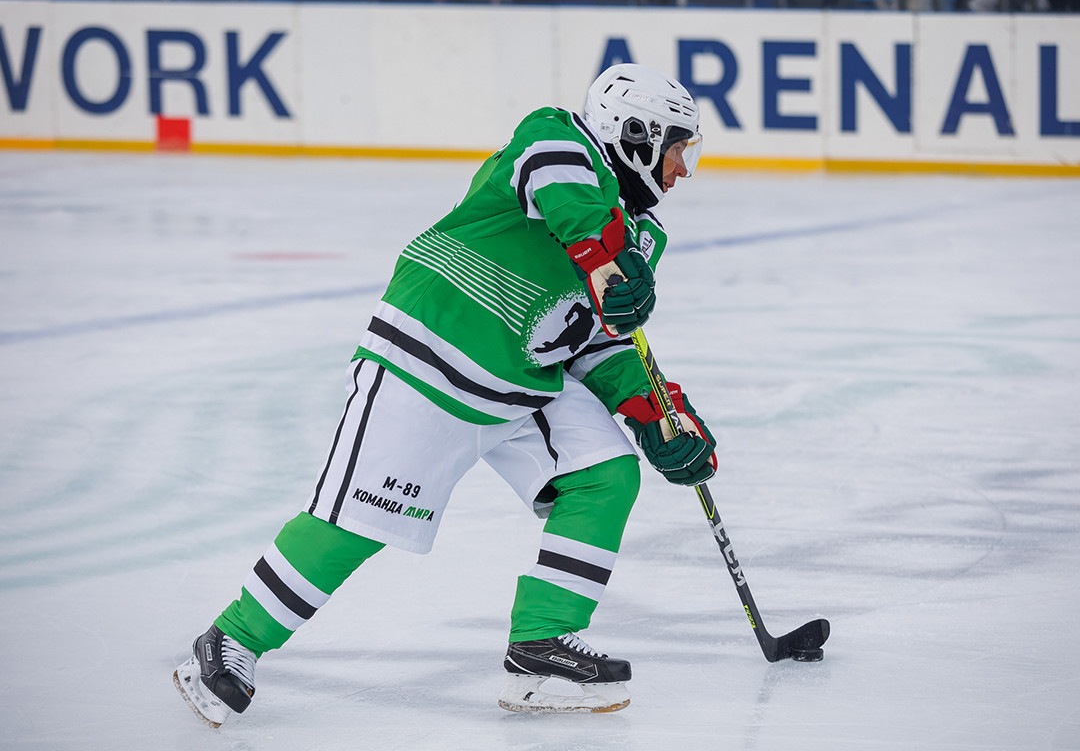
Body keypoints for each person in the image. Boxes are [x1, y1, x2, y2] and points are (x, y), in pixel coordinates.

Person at [171, 63, 718, 725]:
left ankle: (540, 650)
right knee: (354, 525)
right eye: (678, 147)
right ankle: (229, 640)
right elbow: (568, 196)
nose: (683, 167)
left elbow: (598, 340)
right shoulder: (554, 139)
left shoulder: (643, 237)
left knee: (604, 474)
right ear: (637, 134)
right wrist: (605, 260)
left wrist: (661, 416)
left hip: (524, 384)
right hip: (429, 357)